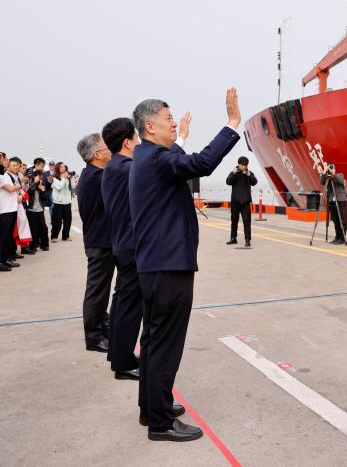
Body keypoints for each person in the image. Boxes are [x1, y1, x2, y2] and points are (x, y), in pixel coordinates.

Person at [130, 89, 240, 441]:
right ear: (150, 126)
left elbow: (176, 162)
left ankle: (151, 409)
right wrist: (231, 124)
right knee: (165, 343)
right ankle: (161, 423)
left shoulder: (146, 157)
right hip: (169, 264)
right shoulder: (157, 159)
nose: (174, 122)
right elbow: (200, 164)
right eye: (168, 118)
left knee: (153, 339)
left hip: (155, 263)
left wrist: (181, 139)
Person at [101, 117, 176, 380]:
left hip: (121, 242)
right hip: (132, 244)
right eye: (137, 137)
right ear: (127, 142)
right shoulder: (127, 168)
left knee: (122, 302)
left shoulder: (113, 166)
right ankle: (123, 364)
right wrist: (175, 143)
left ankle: (119, 355)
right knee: (131, 307)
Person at [75, 133, 115, 354]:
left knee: (102, 290)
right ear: (97, 155)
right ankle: (93, 337)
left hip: (102, 240)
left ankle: (102, 326)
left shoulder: (93, 173)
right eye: (107, 147)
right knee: (97, 291)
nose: (112, 150)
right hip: (100, 242)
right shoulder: (96, 177)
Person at [0, 157, 22, 271]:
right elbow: (11, 189)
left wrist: (17, 187)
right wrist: (18, 186)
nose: (5, 162)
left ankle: (4, 259)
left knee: (7, 237)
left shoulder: (6, 176)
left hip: (11, 209)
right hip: (3, 210)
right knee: (0, 238)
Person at [226, 156, 257, 247]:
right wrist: (233, 173)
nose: (244, 166)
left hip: (245, 201)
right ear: (239, 164)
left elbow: (254, 182)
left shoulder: (249, 173)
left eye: (246, 165)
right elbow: (228, 182)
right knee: (234, 221)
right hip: (235, 201)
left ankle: (247, 239)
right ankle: (233, 238)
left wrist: (250, 175)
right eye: (243, 165)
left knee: (247, 221)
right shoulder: (234, 173)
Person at [320, 163, 347, 245]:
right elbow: (321, 182)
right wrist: (324, 172)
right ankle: (337, 237)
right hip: (332, 201)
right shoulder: (327, 177)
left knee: (342, 220)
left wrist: (333, 173)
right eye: (330, 168)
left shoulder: (340, 175)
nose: (331, 169)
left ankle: (342, 238)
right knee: (335, 220)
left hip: (340, 200)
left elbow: (340, 181)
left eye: (332, 167)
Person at [25, 167, 49, 252]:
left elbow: (45, 198)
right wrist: (35, 183)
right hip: (31, 210)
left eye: (41, 176)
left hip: (40, 210)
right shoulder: (30, 183)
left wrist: (43, 190)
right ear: (35, 176)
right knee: (33, 229)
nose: (40, 178)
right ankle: (33, 246)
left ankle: (44, 245)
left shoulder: (42, 184)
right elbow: (28, 193)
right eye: (39, 176)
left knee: (43, 228)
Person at [49, 162, 72, 242]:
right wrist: (64, 179)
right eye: (61, 167)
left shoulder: (67, 177)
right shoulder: (55, 177)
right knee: (57, 221)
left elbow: (70, 188)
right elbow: (59, 187)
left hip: (67, 202)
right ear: (57, 168)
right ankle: (54, 236)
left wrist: (69, 178)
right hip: (58, 202)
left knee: (68, 220)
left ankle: (66, 236)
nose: (63, 168)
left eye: (64, 166)